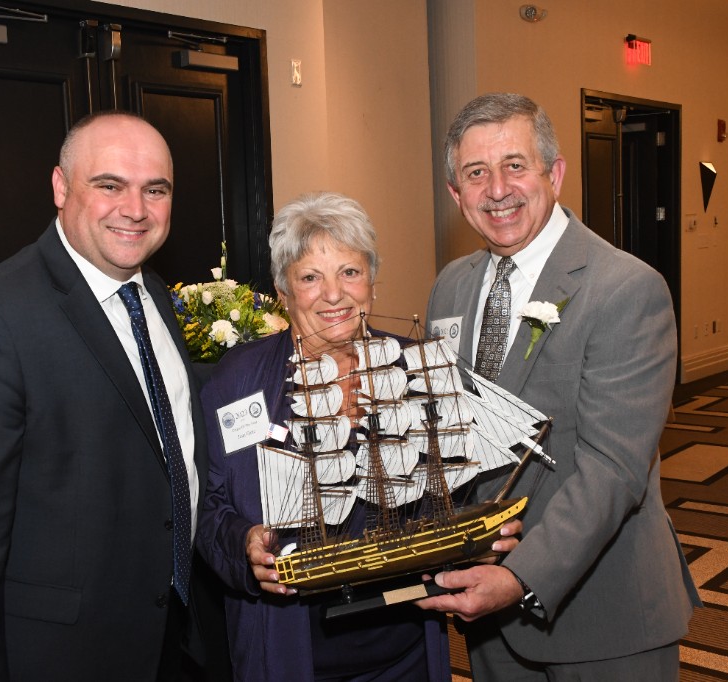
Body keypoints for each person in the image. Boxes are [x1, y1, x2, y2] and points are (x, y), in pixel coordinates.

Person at [0, 111, 213, 681]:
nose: (136, 209)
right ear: (60, 187)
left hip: (168, 636)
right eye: (109, 186)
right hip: (60, 655)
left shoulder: (157, 300)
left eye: (156, 189)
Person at [420, 93, 700, 680]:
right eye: (477, 173)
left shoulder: (625, 288)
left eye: (515, 165)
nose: (498, 189)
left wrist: (520, 576)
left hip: (604, 612)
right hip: (491, 620)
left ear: (555, 173)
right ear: (456, 194)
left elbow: (613, 469)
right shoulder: (450, 287)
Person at [196, 191, 522, 682]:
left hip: (406, 646)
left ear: (372, 281)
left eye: (350, 272)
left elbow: (459, 472)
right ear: (283, 292)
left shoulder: (419, 367)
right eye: (310, 277)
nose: (334, 294)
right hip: (287, 649)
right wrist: (242, 543)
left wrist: (486, 531)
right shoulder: (238, 381)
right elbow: (207, 503)